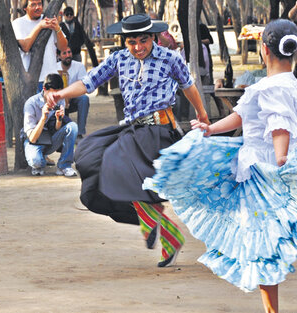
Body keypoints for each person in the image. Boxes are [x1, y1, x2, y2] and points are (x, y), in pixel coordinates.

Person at [144, 19, 297, 313]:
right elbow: (241, 116)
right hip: (293, 167)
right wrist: (211, 129)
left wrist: (280, 160)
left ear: (265, 50)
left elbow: (279, 126)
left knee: (265, 244)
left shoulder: (271, 87)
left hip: (268, 172)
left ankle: (272, 311)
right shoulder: (286, 82)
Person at [46, 14, 209, 267]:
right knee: (90, 163)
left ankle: (158, 223)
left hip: (159, 133)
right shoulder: (118, 59)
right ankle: (160, 225)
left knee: (119, 167)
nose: (138, 48)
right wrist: (60, 94)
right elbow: (88, 83)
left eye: (143, 41)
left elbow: (188, 86)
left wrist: (202, 114)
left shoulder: (169, 58)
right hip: (131, 131)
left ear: (153, 37)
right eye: (132, 42)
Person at [23, 74, 78, 177]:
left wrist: (59, 119)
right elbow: (32, 138)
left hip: (50, 138)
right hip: (35, 140)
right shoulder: (31, 104)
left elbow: (57, 128)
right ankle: (41, 162)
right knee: (36, 161)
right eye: (53, 94)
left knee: (73, 127)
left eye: (59, 94)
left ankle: (64, 165)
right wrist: (43, 117)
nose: (56, 98)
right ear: (44, 89)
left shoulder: (59, 99)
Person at [12, 0, 68, 91]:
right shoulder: (18, 24)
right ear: (25, 8)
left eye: (39, 4)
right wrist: (39, 26)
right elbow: (25, 47)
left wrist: (58, 29)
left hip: (50, 78)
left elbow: (63, 47)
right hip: (30, 80)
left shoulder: (48, 20)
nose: (38, 7)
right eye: (33, 5)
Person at [56, 47, 90, 140]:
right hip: (59, 99)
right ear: (58, 56)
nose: (68, 55)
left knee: (84, 99)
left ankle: (80, 133)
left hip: (74, 97)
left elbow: (83, 86)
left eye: (69, 52)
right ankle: (60, 133)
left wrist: (70, 95)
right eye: (64, 53)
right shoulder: (54, 67)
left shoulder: (79, 66)